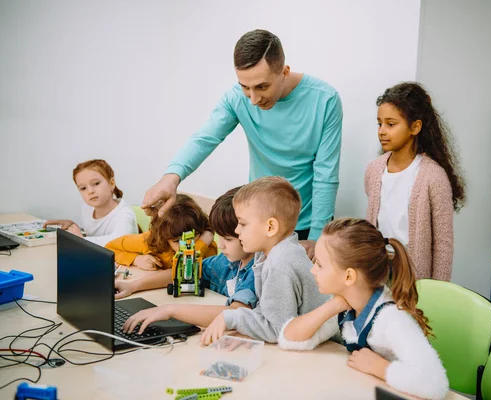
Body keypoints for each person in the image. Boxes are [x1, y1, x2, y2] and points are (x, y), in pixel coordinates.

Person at [142, 29, 343, 246]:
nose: (254, 99)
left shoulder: (325, 100)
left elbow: (326, 175)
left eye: (262, 87)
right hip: (257, 219)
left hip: (307, 222)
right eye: (245, 87)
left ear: (284, 72)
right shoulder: (236, 99)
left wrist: (316, 237)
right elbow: (204, 139)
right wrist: (170, 179)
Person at [278, 218, 449, 400]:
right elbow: (290, 339)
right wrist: (333, 306)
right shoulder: (347, 304)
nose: (313, 270)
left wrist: (380, 368)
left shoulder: (392, 319)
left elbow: (435, 383)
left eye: (320, 264)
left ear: (349, 276)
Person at [200, 176, 329, 345]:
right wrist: (247, 332)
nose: (237, 230)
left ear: (270, 227)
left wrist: (229, 318)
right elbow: (268, 311)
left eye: (242, 224)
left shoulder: (281, 263)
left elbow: (278, 330)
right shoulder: (273, 253)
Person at [364, 82, 465, 280]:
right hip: (378, 269)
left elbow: (443, 244)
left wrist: (438, 291)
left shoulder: (433, 177)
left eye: (391, 124)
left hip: (413, 275)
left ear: (415, 127)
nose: (382, 131)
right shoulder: (374, 170)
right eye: (379, 123)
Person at [121, 186, 257, 333]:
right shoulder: (225, 262)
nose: (220, 245)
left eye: (228, 239)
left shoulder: (258, 270)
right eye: (220, 237)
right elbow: (190, 272)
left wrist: (170, 310)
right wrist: (134, 286)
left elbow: (236, 313)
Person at [106, 194, 217, 299]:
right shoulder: (151, 241)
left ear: (200, 232)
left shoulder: (207, 247)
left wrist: (201, 244)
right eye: (176, 241)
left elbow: (185, 271)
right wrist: (135, 259)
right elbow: (109, 248)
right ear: (164, 237)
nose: (184, 245)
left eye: (191, 239)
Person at [44, 159, 137, 247]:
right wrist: (73, 226)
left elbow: (119, 242)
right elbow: (93, 234)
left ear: (111, 184)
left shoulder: (124, 214)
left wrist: (81, 240)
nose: (90, 191)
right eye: (83, 188)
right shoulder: (88, 208)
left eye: (96, 183)